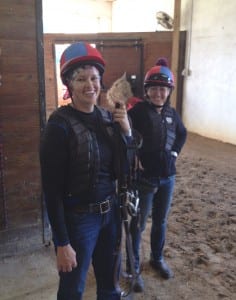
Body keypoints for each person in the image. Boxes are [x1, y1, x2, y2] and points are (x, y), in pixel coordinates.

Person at [40, 42, 134, 300]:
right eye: (81, 79)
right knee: (72, 290)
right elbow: (51, 190)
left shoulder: (108, 118)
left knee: (110, 285)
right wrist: (62, 242)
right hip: (79, 220)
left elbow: (125, 168)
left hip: (110, 214)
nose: (90, 85)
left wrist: (126, 133)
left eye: (94, 78)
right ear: (69, 85)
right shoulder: (58, 127)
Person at [127, 58, 187, 292]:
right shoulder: (138, 112)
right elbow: (125, 137)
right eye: (154, 88)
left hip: (167, 178)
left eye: (163, 89)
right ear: (147, 91)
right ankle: (133, 268)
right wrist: (134, 157)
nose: (159, 93)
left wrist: (174, 153)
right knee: (138, 225)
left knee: (160, 221)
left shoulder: (172, 114)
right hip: (144, 180)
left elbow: (182, 134)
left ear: (169, 91)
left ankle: (156, 258)